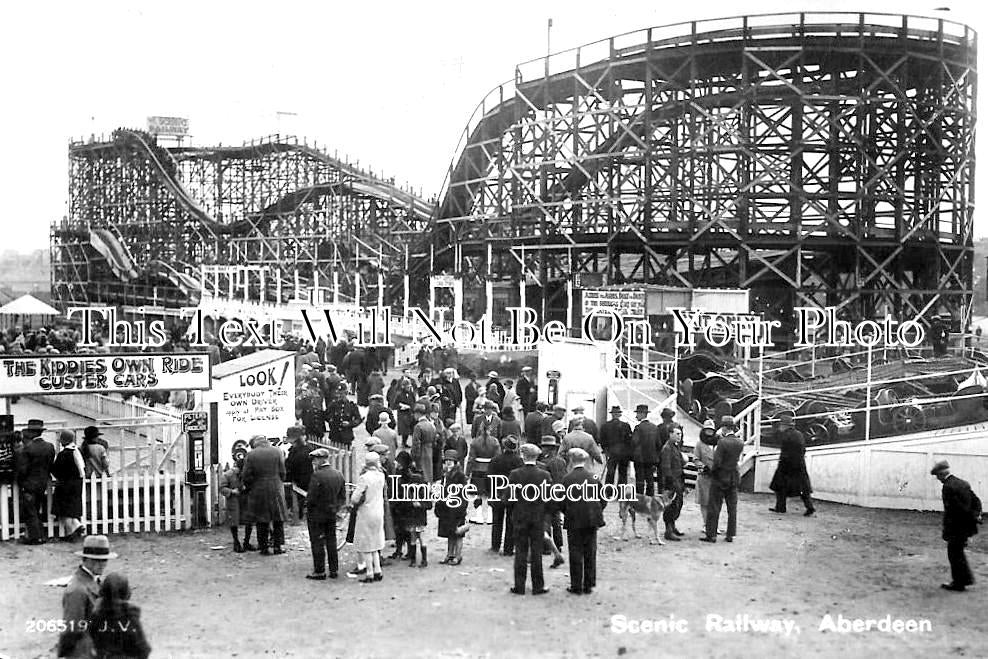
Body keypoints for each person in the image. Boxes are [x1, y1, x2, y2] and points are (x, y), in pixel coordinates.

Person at [59, 534, 117, 658]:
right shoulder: (77, 590)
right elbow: (72, 632)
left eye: (104, 559)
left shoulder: (95, 582)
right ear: (85, 559)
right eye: (96, 560)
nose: (102, 564)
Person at [506, 443, 552, 596]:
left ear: (522, 456)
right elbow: (549, 498)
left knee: (520, 551)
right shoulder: (544, 475)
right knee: (537, 552)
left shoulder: (514, 474)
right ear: (537, 456)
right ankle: (538, 586)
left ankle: (519, 586)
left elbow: (508, 498)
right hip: (538, 517)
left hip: (520, 516)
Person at [559, 448, 606, 595]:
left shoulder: (567, 479)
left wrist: (567, 512)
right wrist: (595, 511)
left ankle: (576, 585)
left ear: (571, 461)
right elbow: (603, 500)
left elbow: (561, 501)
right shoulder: (594, 478)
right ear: (585, 460)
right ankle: (589, 584)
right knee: (590, 551)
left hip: (574, 519)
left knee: (575, 552)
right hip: (591, 519)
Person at [931, 460, 982, 591]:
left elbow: (955, 509)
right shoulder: (963, 483)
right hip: (966, 526)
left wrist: (949, 528)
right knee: (957, 553)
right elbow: (976, 501)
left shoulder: (947, 487)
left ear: (942, 474)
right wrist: (976, 515)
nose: (938, 479)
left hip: (956, 527)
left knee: (954, 554)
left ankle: (959, 583)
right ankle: (964, 580)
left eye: (938, 476)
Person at [241, 435, 289, 555]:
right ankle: (278, 546)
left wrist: (251, 486)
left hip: (259, 489)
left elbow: (246, 475)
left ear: (255, 444)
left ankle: (264, 547)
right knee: (278, 519)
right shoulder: (278, 451)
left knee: (262, 519)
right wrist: (278, 481)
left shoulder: (251, 455)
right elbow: (283, 472)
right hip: (276, 487)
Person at [87, 573, 151, 659]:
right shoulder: (129, 616)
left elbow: (90, 642)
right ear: (126, 593)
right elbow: (143, 648)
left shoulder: (96, 615)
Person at [305, 448, 347, 580]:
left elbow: (311, 497)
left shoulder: (317, 475)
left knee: (317, 542)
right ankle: (334, 569)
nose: (313, 463)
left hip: (317, 514)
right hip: (331, 513)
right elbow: (342, 496)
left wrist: (307, 507)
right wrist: (335, 508)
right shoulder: (338, 474)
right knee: (331, 541)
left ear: (320, 460)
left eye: (315, 460)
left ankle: (320, 570)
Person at [701, 417, 743, 543]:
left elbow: (717, 462)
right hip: (733, 477)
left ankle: (711, 535)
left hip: (720, 478)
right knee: (732, 507)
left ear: (724, 427)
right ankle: (730, 534)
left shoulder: (722, 442)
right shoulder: (740, 442)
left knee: (714, 506)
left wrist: (711, 471)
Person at [768, 411, 815, 516]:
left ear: (784, 426)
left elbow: (785, 450)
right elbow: (803, 450)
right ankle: (810, 507)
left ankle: (780, 507)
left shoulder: (785, 435)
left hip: (786, 465)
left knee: (779, 486)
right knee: (803, 489)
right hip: (799, 465)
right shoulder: (799, 434)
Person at [17, 419, 55, 544]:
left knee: (30, 511)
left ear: (31, 432)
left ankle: (35, 537)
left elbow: (23, 470)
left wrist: (21, 482)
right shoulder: (49, 447)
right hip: (42, 483)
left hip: (29, 484)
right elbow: (50, 465)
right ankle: (40, 535)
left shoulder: (27, 449)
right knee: (36, 509)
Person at [350, 452, 387, 583]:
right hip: (378, 511)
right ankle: (378, 570)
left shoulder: (364, 478)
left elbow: (355, 498)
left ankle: (370, 573)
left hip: (366, 512)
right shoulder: (381, 476)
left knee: (366, 544)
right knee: (376, 543)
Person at [395, 452, 431, 567]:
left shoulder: (410, 481)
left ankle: (419, 559)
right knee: (414, 537)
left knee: (418, 537)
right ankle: (415, 558)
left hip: (416, 515)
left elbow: (428, 503)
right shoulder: (415, 480)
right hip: (414, 515)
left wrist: (418, 504)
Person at [489, 437, 523, 555]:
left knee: (497, 520)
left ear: (504, 447)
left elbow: (489, 479)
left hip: (497, 493)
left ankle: (495, 545)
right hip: (513, 494)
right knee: (511, 522)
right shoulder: (519, 461)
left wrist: (490, 494)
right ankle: (508, 548)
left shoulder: (495, 460)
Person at [466, 412, 502, 525]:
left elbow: (471, 459)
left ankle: (479, 516)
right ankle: (490, 516)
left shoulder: (475, 442)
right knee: (491, 493)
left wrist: (467, 473)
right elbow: (498, 458)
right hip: (491, 470)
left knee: (477, 493)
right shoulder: (495, 442)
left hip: (477, 469)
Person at [51, 430, 86, 541]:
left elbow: (56, 471)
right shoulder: (77, 451)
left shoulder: (63, 455)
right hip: (77, 484)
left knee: (64, 511)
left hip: (65, 485)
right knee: (72, 509)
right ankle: (76, 526)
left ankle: (70, 532)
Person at [436, 449, 469, 565]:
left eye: (451, 460)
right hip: (447, 508)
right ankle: (449, 554)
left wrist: (461, 509)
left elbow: (464, 494)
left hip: (457, 508)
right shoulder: (445, 474)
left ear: (456, 462)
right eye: (447, 460)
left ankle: (458, 556)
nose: (448, 462)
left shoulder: (460, 476)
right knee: (450, 533)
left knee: (458, 533)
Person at [219, 451, 250, 552]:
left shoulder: (246, 474)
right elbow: (221, 488)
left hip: (245, 499)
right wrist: (231, 491)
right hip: (234, 500)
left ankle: (246, 542)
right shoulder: (228, 475)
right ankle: (236, 542)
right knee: (234, 522)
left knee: (248, 520)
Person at [659, 424, 686, 541]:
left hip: (678, 479)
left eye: (680, 434)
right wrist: (671, 484)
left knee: (678, 505)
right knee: (671, 506)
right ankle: (668, 531)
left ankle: (673, 527)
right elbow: (666, 468)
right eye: (677, 434)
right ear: (670, 434)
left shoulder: (675, 446)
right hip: (671, 482)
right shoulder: (667, 448)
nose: (679, 436)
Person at [284, 427, 315, 522]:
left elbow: (291, 465)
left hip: (299, 479)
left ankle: (298, 514)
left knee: (299, 498)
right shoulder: (308, 448)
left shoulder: (297, 452)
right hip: (305, 477)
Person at [693, 419, 718, 529]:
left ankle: (714, 525)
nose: (709, 432)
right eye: (707, 430)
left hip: (716, 477)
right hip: (704, 477)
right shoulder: (699, 444)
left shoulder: (718, 442)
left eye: (711, 430)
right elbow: (695, 459)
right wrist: (703, 467)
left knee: (715, 502)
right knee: (704, 502)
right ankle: (706, 524)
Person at [600, 405, 633, 486]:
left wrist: (605, 450)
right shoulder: (626, 426)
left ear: (612, 414)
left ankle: (608, 492)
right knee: (623, 473)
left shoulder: (605, 426)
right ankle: (620, 492)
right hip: (623, 453)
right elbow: (629, 441)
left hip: (611, 453)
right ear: (620, 415)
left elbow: (602, 440)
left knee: (610, 473)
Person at [631, 405, 660, 496]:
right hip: (651, 458)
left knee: (640, 480)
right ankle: (650, 498)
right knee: (650, 479)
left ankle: (639, 499)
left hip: (640, 459)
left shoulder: (638, 428)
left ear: (642, 414)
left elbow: (634, 442)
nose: (636, 416)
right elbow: (658, 444)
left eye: (638, 414)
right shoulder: (654, 427)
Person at [411, 404, 438, 482]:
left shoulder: (418, 426)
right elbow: (435, 440)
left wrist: (414, 457)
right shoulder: (431, 425)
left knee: (422, 472)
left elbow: (416, 444)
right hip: (430, 450)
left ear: (418, 414)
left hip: (421, 451)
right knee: (429, 471)